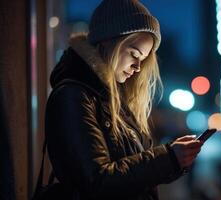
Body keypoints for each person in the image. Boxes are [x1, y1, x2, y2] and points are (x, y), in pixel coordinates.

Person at [45, 0, 203, 199]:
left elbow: (132, 175)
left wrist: (175, 160)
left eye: (143, 59)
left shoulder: (115, 99)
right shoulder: (74, 96)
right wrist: (168, 159)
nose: (138, 67)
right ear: (108, 41)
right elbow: (97, 182)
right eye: (134, 54)